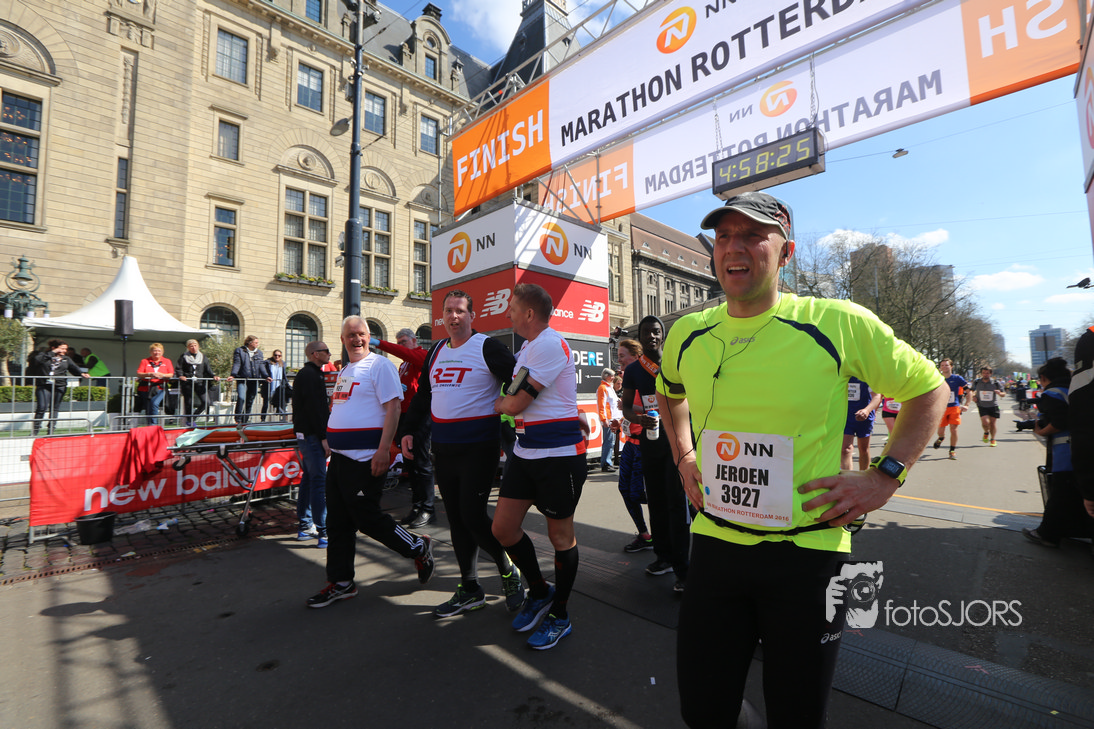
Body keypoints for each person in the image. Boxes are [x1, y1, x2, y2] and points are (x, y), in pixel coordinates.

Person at [655, 192, 947, 728]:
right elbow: (669, 391)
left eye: (752, 235)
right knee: (703, 711)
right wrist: (684, 456)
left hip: (809, 557)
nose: (734, 247)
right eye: (724, 236)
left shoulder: (836, 323)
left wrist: (885, 477)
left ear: (785, 252)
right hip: (717, 547)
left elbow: (930, 390)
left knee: (797, 716)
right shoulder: (686, 333)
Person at [400, 290, 525, 618]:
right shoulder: (436, 350)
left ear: (472, 316)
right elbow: (424, 396)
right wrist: (408, 431)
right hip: (444, 450)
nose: (453, 316)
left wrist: (509, 406)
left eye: (460, 311)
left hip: (479, 448)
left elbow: (520, 380)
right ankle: (470, 588)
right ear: (442, 316)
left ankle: (508, 569)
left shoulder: (486, 346)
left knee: (473, 516)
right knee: (456, 519)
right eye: (448, 311)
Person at [305, 316, 435, 608]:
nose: (357, 339)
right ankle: (341, 583)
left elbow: (393, 408)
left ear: (369, 336)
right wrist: (330, 439)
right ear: (343, 340)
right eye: (351, 335)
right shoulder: (345, 369)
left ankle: (417, 546)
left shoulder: (380, 366)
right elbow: (340, 407)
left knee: (368, 519)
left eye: (361, 334)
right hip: (340, 460)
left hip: (366, 459)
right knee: (337, 523)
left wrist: (383, 450)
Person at [492, 283, 587, 650]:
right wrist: (507, 400)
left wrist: (502, 403)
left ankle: (560, 615)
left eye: (513, 309)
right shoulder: (528, 348)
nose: (509, 314)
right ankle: (540, 591)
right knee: (503, 529)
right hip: (525, 453)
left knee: (561, 537)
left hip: (558, 457)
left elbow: (514, 403)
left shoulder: (549, 343)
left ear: (529, 313)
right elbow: (515, 395)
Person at [621, 315, 690, 594]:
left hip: (678, 444)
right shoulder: (634, 370)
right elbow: (626, 407)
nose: (652, 336)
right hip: (650, 444)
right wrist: (639, 417)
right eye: (646, 332)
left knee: (677, 505)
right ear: (640, 337)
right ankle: (663, 557)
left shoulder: (676, 363)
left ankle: (683, 569)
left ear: (663, 335)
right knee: (657, 501)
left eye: (656, 331)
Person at [1022, 358, 1094, 547]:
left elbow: (1059, 422)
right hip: (1086, 448)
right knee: (1080, 493)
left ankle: (1047, 534)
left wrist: (1040, 431)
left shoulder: (1051, 394)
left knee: (1060, 494)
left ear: (1044, 378)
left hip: (1066, 453)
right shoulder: (1077, 389)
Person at [374, 328, 436, 528]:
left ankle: (428, 508)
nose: (401, 345)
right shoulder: (404, 364)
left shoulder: (421, 355)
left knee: (421, 461)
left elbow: (407, 355)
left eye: (403, 341)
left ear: (414, 340)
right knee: (410, 463)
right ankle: (418, 506)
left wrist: (379, 343)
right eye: (399, 342)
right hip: (405, 415)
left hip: (421, 415)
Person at [293, 341, 332, 548]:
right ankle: (323, 532)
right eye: (326, 351)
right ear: (315, 354)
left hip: (307, 434)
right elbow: (316, 409)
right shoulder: (311, 375)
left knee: (309, 478)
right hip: (312, 436)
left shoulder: (309, 374)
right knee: (318, 481)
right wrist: (324, 436)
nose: (329, 354)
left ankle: (305, 525)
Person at [615, 338, 652, 553]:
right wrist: (620, 423)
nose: (619, 360)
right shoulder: (626, 380)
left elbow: (655, 409)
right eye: (618, 356)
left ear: (636, 357)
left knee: (638, 493)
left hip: (644, 445)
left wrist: (629, 407)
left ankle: (676, 507)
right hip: (629, 444)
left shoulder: (645, 378)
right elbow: (629, 413)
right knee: (625, 490)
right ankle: (644, 534)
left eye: (622, 356)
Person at [30, 339, 88, 436]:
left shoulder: (66, 359)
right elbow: (36, 361)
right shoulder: (44, 356)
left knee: (54, 408)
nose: (64, 351)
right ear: (54, 348)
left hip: (60, 385)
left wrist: (82, 374)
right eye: (62, 348)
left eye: (65, 349)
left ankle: (51, 431)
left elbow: (74, 368)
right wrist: (52, 353)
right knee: (41, 407)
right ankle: (35, 430)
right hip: (44, 385)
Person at [176, 339, 219, 427]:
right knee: (189, 402)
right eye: (191, 346)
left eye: (195, 345)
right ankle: (189, 421)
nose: (193, 347)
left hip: (199, 382)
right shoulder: (184, 356)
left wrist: (214, 376)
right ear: (188, 347)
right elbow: (179, 368)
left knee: (206, 402)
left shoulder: (203, 357)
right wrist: (181, 375)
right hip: (187, 382)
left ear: (198, 346)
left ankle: (193, 417)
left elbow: (208, 369)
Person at [842, 377, 882, 470]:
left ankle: (863, 473)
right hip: (846, 416)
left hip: (864, 417)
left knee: (863, 449)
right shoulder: (842, 375)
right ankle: (849, 476)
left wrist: (866, 410)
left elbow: (877, 396)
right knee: (845, 449)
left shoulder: (867, 376)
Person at [933, 357, 969, 460]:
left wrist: (967, 404)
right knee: (940, 431)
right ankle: (941, 438)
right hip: (942, 408)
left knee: (954, 429)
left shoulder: (957, 379)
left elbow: (968, 391)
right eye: (942, 365)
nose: (944, 367)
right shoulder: (937, 378)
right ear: (940, 367)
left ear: (951, 366)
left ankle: (952, 451)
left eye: (947, 365)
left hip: (954, 407)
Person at [231, 335, 270, 424]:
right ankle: (238, 419)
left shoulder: (259, 353)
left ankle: (245, 419)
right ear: (250, 343)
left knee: (250, 400)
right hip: (242, 379)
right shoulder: (240, 351)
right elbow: (237, 363)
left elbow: (261, 366)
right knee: (241, 397)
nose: (257, 344)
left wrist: (266, 376)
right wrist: (233, 375)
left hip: (254, 380)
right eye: (255, 342)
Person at [137, 343, 174, 425]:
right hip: (146, 387)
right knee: (148, 406)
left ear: (162, 352)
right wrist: (149, 374)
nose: (157, 352)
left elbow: (171, 374)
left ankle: (153, 424)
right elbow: (139, 373)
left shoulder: (167, 361)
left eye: (159, 351)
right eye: (154, 351)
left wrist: (162, 375)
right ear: (150, 352)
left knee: (154, 403)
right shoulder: (144, 361)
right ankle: (149, 425)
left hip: (160, 387)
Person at [972, 366, 1005, 447]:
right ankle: (986, 432)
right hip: (982, 405)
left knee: (993, 423)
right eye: (983, 373)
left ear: (991, 374)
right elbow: (972, 391)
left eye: (987, 373)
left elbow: (1003, 393)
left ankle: (993, 439)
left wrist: (1000, 393)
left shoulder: (996, 383)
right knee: (985, 422)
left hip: (993, 405)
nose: (985, 374)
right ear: (981, 373)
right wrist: (973, 396)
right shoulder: (977, 382)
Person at [596, 368, 619, 471]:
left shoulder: (609, 387)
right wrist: (603, 419)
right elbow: (601, 404)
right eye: (612, 376)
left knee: (611, 441)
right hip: (608, 419)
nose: (613, 378)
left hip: (612, 418)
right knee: (608, 441)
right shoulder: (603, 388)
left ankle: (608, 462)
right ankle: (606, 463)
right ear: (606, 376)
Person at [260, 350, 289, 421]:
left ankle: (282, 418)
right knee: (266, 404)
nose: (277, 357)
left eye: (279, 355)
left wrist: (287, 384)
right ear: (273, 355)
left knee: (282, 402)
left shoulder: (283, 364)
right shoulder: (268, 363)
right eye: (275, 355)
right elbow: (262, 370)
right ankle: (263, 419)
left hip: (279, 387)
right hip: (268, 386)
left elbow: (284, 375)